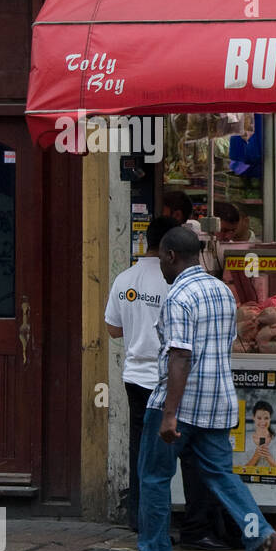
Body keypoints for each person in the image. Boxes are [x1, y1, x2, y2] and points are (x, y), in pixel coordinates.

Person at [125, 225, 276, 551]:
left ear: (170, 256)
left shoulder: (179, 297)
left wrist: (169, 415)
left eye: (161, 260)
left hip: (180, 403)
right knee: (220, 475)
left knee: (153, 476)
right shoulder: (221, 291)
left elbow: (180, 356)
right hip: (218, 402)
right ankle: (258, 533)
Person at [105, 215, 180, 532]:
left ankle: (138, 516)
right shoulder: (173, 281)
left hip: (134, 377)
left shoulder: (125, 279)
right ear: (169, 247)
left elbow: (112, 330)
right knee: (166, 456)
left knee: (139, 448)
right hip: (165, 381)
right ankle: (158, 521)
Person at [245, 401, 276, 469]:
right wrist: (255, 456)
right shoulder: (245, 441)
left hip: (272, 479)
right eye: (259, 418)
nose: (263, 422)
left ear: (270, 419)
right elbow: (240, 470)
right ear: (254, 418)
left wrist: (269, 457)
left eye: (266, 418)